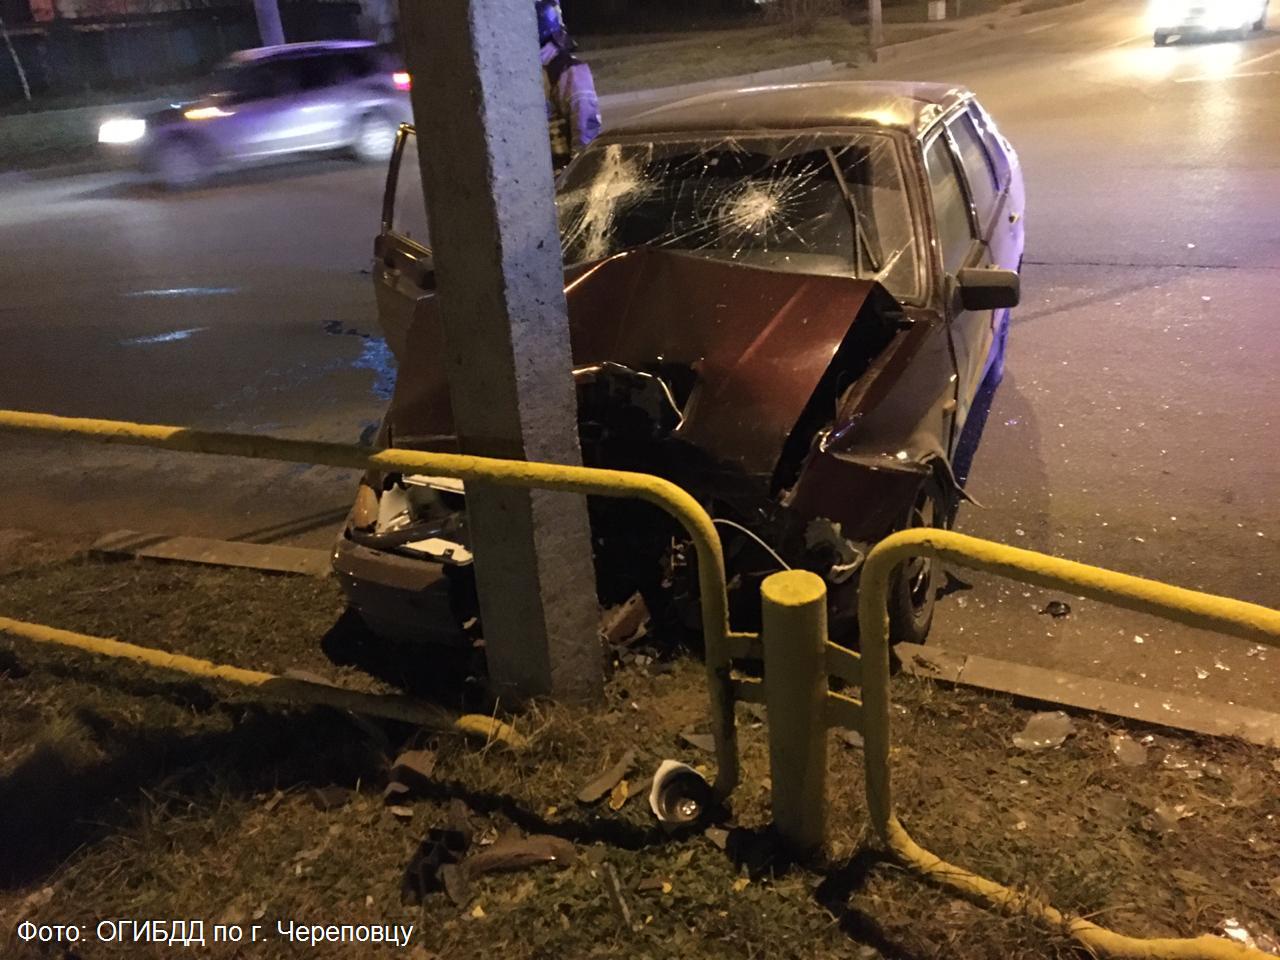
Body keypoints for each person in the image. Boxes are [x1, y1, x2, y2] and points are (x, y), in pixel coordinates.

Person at [536, 0, 601, 167]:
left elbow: (586, 131)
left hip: (561, 175)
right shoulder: (524, 69)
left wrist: (580, 172)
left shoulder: (568, 70)